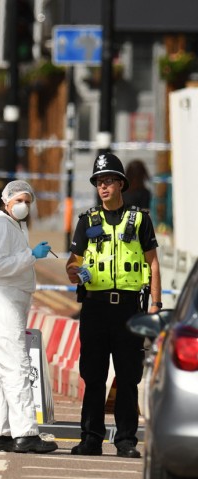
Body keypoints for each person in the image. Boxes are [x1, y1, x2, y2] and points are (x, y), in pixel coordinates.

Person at [66, 153, 161, 458]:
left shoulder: (140, 219)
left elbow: (153, 264)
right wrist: (80, 273)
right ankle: (91, 438)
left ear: (121, 183)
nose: (103, 187)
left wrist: (155, 307)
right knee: (93, 375)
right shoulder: (87, 221)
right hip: (95, 308)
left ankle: (126, 441)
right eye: (98, 182)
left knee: (129, 376)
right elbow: (72, 266)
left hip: (130, 309)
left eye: (108, 180)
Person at [0, 180, 58, 454]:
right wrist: (30, 256)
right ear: (6, 200)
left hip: (10, 297)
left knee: (0, 368)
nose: (23, 205)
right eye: (19, 200)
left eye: (28, 201)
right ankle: (25, 433)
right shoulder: (1, 224)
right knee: (16, 364)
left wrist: (29, 255)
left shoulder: (14, 226)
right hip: (4, 299)